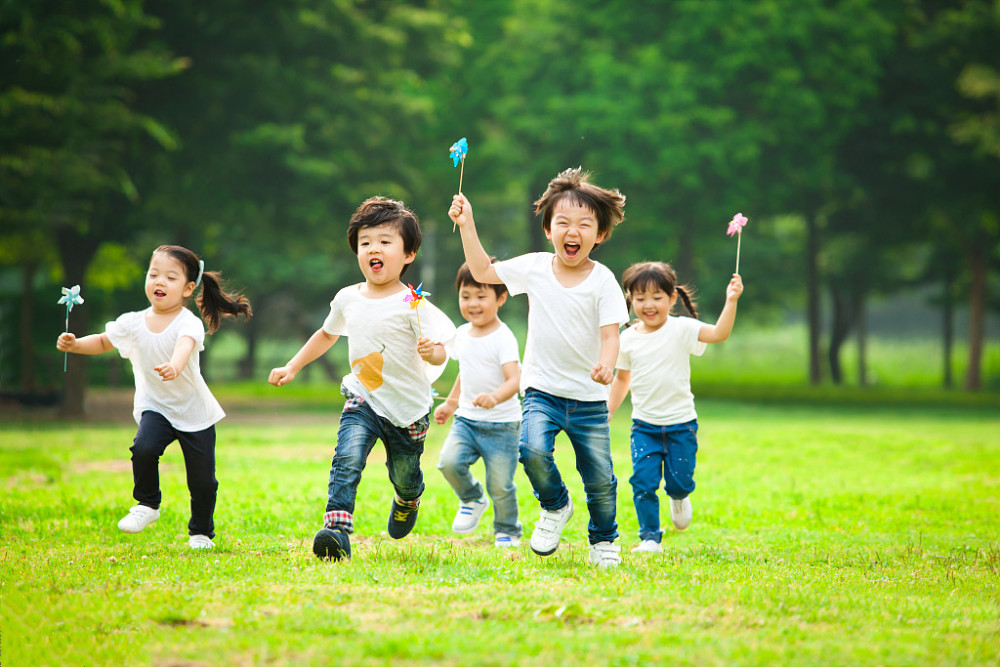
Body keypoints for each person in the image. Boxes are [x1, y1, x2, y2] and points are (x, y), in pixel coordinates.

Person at [449, 167, 629, 568]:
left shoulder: (603, 281)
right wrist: (467, 224)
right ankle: (555, 504)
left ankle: (603, 539)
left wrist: (606, 364)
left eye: (585, 224)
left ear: (599, 235)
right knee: (530, 450)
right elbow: (483, 273)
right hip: (542, 390)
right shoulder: (534, 267)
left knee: (599, 478)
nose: (573, 230)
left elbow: (611, 334)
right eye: (563, 222)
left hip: (588, 399)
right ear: (549, 229)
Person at [268, 196, 455, 561]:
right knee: (347, 456)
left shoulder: (412, 302)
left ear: (409, 254)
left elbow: (441, 345)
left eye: (386, 241)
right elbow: (327, 334)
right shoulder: (348, 298)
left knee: (404, 473)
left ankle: (407, 499)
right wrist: (293, 366)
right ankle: (337, 531)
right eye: (366, 242)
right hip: (363, 396)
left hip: (407, 408)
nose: (374, 248)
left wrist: (433, 352)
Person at [56, 245, 252, 550]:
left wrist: (174, 366)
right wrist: (75, 344)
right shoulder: (132, 322)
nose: (159, 281)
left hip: (193, 411)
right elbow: (104, 341)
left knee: (203, 482)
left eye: (170, 277)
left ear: (188, 288)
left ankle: (201, 532)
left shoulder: (188, 323)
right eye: (154, 274)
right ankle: (147, 505)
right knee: (143, 448)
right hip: (156, 406)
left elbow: (184, 347)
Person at [608, 262, 743, 553]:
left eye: (656, 297)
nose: (648, 304)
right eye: (640, 298)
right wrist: (608, 411)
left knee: (679, 481)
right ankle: (649, 538)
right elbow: (622, 379)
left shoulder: (683, 329)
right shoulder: (627, 338)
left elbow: (719, 333)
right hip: (644, 426)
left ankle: (679, 496)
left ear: (671, 298)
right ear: (630, 300)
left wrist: (731, 300)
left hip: (681, 425)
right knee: (642, 481)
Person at [434, 260, 523, 548]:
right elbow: (466, 372)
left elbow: (515, 379)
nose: (473, 303)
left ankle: (507, 529)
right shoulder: (461, 334)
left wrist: (495, 397)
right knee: (448, 463)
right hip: (467, 421)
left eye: (481, 296)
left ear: (501, 298)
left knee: (500, 485)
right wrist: (450, 403)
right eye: (466, 296)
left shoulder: (503, 337)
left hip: (503, 425)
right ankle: (472, 498)